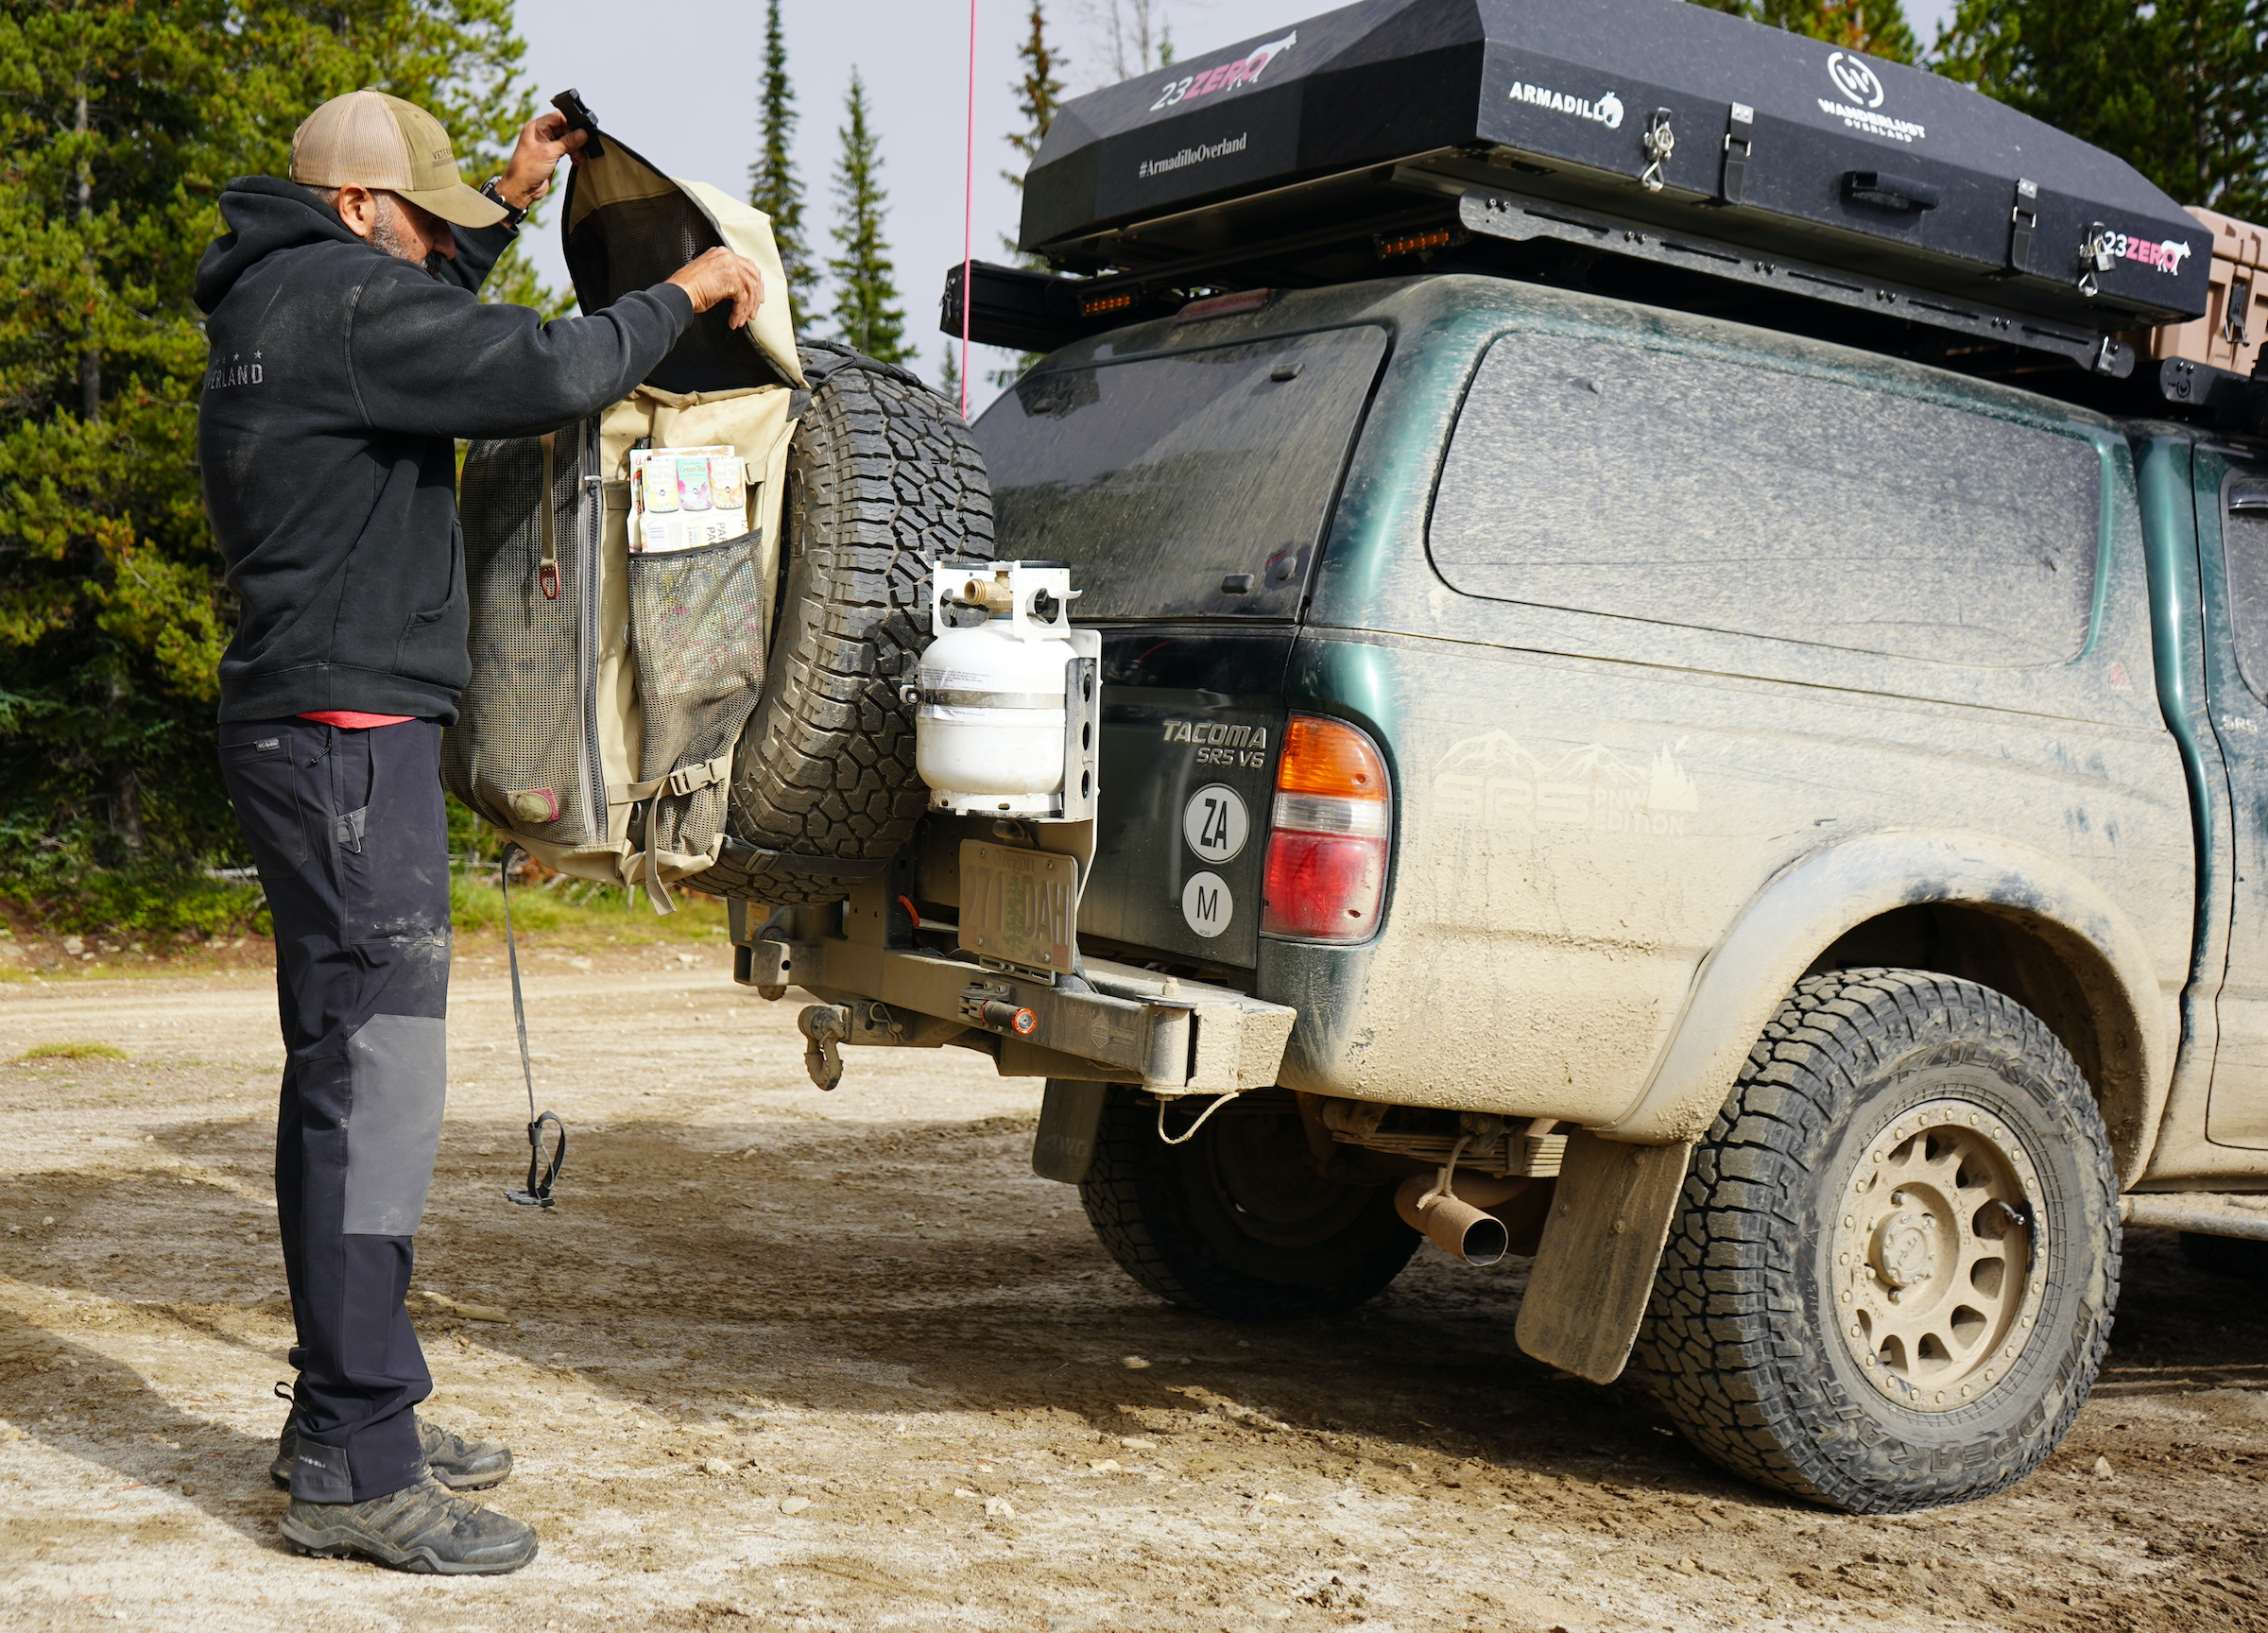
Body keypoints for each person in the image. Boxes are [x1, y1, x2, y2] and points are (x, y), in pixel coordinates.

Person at [193, 88, 765, 1574]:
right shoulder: (338, 299)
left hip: (319, 731)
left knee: (346, 1073)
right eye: (426, 215)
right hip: (345, 744)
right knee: (373, 1090)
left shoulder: (295, 296)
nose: (438, 238)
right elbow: (545, 367)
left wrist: (513, 199)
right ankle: (354, 1463)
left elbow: (426, 319)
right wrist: (689, 288)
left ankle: (346, 1411)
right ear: (359, 208)